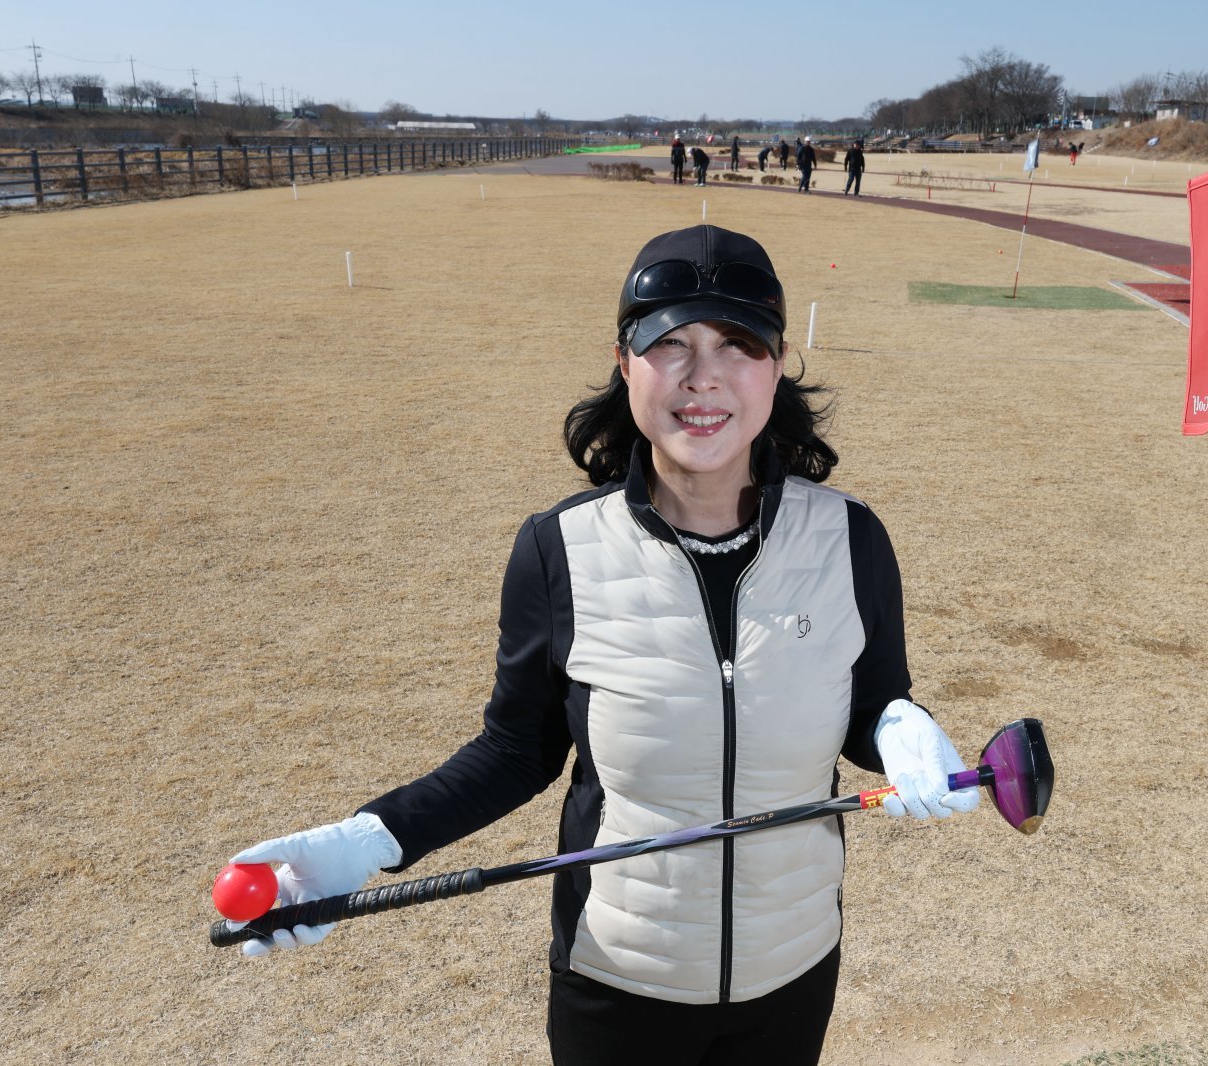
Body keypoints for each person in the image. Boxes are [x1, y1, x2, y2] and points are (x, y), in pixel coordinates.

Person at [220, 224, 980, 1066]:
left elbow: (869, 703)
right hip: (619, 984)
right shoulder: (558, 550)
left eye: (738, 344)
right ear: (625, 364)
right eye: (670, 344)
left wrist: (900, 725)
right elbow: (517, 750)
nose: (703, 377)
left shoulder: (851, 538)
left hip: (794, 973)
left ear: (775, 367)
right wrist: (362, 843)